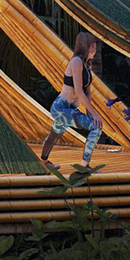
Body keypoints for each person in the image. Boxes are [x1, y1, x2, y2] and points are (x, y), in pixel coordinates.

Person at [39, 31, 104, 168]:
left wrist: (89, 111)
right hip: (61, 108)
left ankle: (43, 162)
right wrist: (95, 114)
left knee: (54, 135)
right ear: (85, 46)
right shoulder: (76, 62)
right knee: (96, 127)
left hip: (70, 109)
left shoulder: (87, 65)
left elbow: (87, 92)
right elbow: (79, 92)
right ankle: (84, 166)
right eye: (92, 47)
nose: (94, 50)